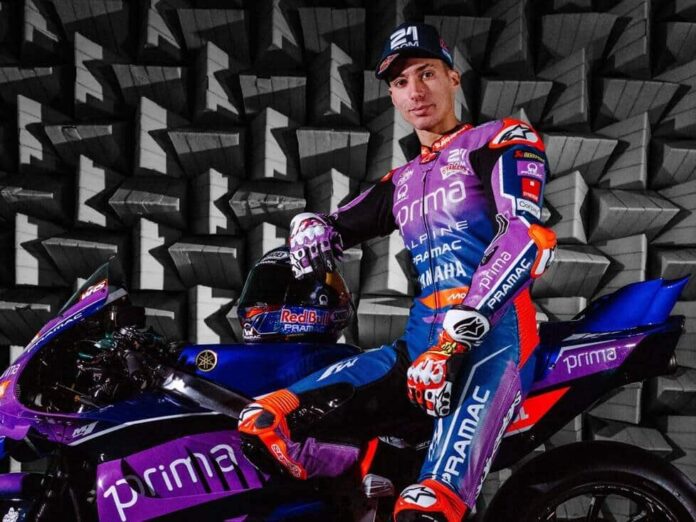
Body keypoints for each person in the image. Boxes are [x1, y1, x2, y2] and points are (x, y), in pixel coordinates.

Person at [238, 22, 557, 522]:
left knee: (426, 509)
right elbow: (340, 224)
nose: (416, 91)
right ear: (392, 96)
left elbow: (525, 234)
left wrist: (458, 337)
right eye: (402, 82)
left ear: (453, 78)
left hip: (491, 343)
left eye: (427, 73)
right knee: (264, 420)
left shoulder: (498, 139)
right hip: (417, 346)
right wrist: (312, 226)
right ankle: (365, 478)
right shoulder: (404, 179)